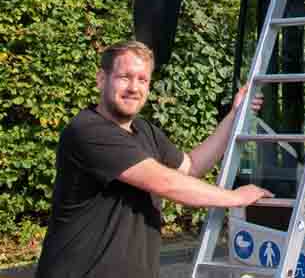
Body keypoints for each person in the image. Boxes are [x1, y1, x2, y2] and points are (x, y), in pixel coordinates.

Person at [35, 41, 272, 278]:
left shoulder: (144, 130)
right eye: (124, 77)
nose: (134, 87)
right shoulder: (87, 131)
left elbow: (191, 167)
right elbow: (165, 183)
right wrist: (235, 197)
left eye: (142, 79)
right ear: (101, 79)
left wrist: (234, 115)